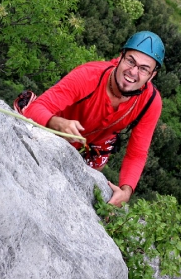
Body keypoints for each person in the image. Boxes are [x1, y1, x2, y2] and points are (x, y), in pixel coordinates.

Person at [21, 31, 164, 206]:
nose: (133, 72)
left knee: (90, 174)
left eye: (143, 69)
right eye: (130, 61)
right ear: (120, 57)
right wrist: (57, 123)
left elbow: (137, 153)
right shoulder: (89, 76)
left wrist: (126, 190)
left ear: (152, 76)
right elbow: (37, 109)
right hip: (59, 127)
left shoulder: (150, 102)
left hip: (100, 139)